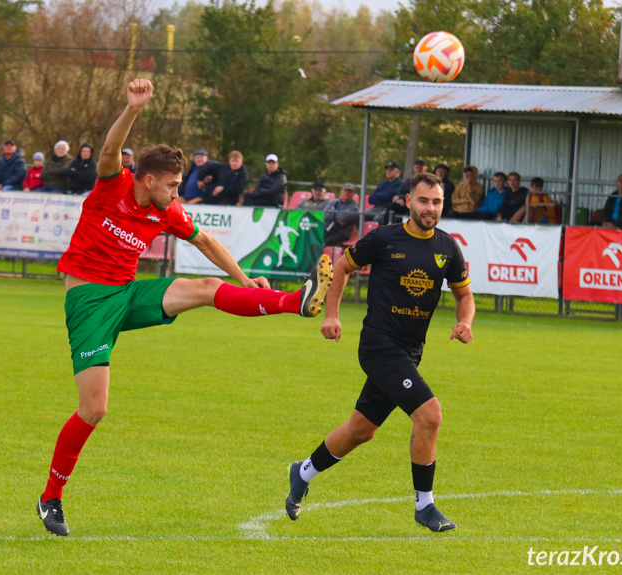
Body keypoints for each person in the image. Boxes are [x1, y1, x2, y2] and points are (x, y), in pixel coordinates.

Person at [36, 79, 334, 537]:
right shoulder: (111, 187)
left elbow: (208, 240)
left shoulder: (166, 211)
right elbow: (111, 150)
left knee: (204, 287)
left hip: (127, 292)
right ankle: (51, 496)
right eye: (172, 185)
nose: (177, 194)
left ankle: (296, 301)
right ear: (148, 179)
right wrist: (132, 108)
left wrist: (243, 278)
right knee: (94, 409)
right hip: (88, 302)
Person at [285, 172, 474, 533]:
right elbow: (341, 267)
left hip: (410, 351)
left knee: (361, 429)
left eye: (436, 202)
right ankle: (425, 505)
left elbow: (464, 295)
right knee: (430, 415)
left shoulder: (448, 247)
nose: (430, 208)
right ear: (407, 201)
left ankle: (303, 471)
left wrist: (466, 322)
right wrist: (332, 314)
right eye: (423, 201)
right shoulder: (386, 239)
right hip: (378, 346)